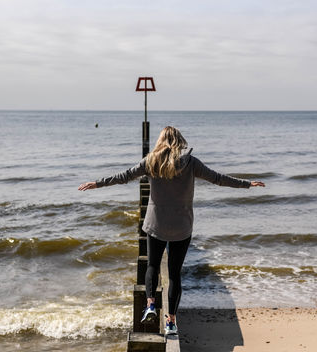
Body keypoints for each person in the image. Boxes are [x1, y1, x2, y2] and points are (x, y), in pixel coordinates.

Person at [78, 126, 265, 335]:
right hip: (181, 227)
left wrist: (97, 183)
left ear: (160, 141)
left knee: (152, 266)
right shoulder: (191, 163)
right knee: (175, 274)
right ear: (179, 140)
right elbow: (218, 178)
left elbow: (124, 176)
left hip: (156, 225)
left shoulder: (151, 161)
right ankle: (171, 323)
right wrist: (247, 184)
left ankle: (150, 305)